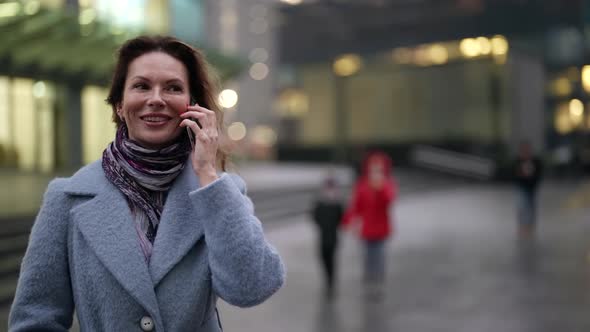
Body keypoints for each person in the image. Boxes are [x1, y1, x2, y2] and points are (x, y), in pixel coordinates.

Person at [9, 35, 285, 331]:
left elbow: (252, 288)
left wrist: (207, 172)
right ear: (119, 105)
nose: (156, 98)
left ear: (191, 106)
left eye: (173, 88)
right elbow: (34, 320)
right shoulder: (67, 198)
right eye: (141, 86)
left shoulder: (219, 193)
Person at [343, 151, 397, 288]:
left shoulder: (387, 184)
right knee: (368, 254)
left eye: (378, 170)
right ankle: (370, 277)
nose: (375, 173)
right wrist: (348, 221)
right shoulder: (362, 185)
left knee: (379, 253)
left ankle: (378, 277)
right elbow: (356, 206)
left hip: (381, 227)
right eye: (373, 169)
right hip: (367, 228)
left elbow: (389, 200)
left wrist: (380, 188)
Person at [311, 175, 344, 299]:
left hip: (333, 238)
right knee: (324, 259)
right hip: (323, 237)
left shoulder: (337, 204)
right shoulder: (320, 203)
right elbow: (315, 217)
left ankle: (330, 283)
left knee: (331, 261)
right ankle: (328, 280)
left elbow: (341, 218)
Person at [512, 141, 543, 238]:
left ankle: (530, 226)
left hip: (532, 189)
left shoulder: (535, 161)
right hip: (521, 188)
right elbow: (514, 174)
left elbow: (539, 174)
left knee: (532, 208)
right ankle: (522, 227)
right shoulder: (518, 161)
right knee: (521, 207)